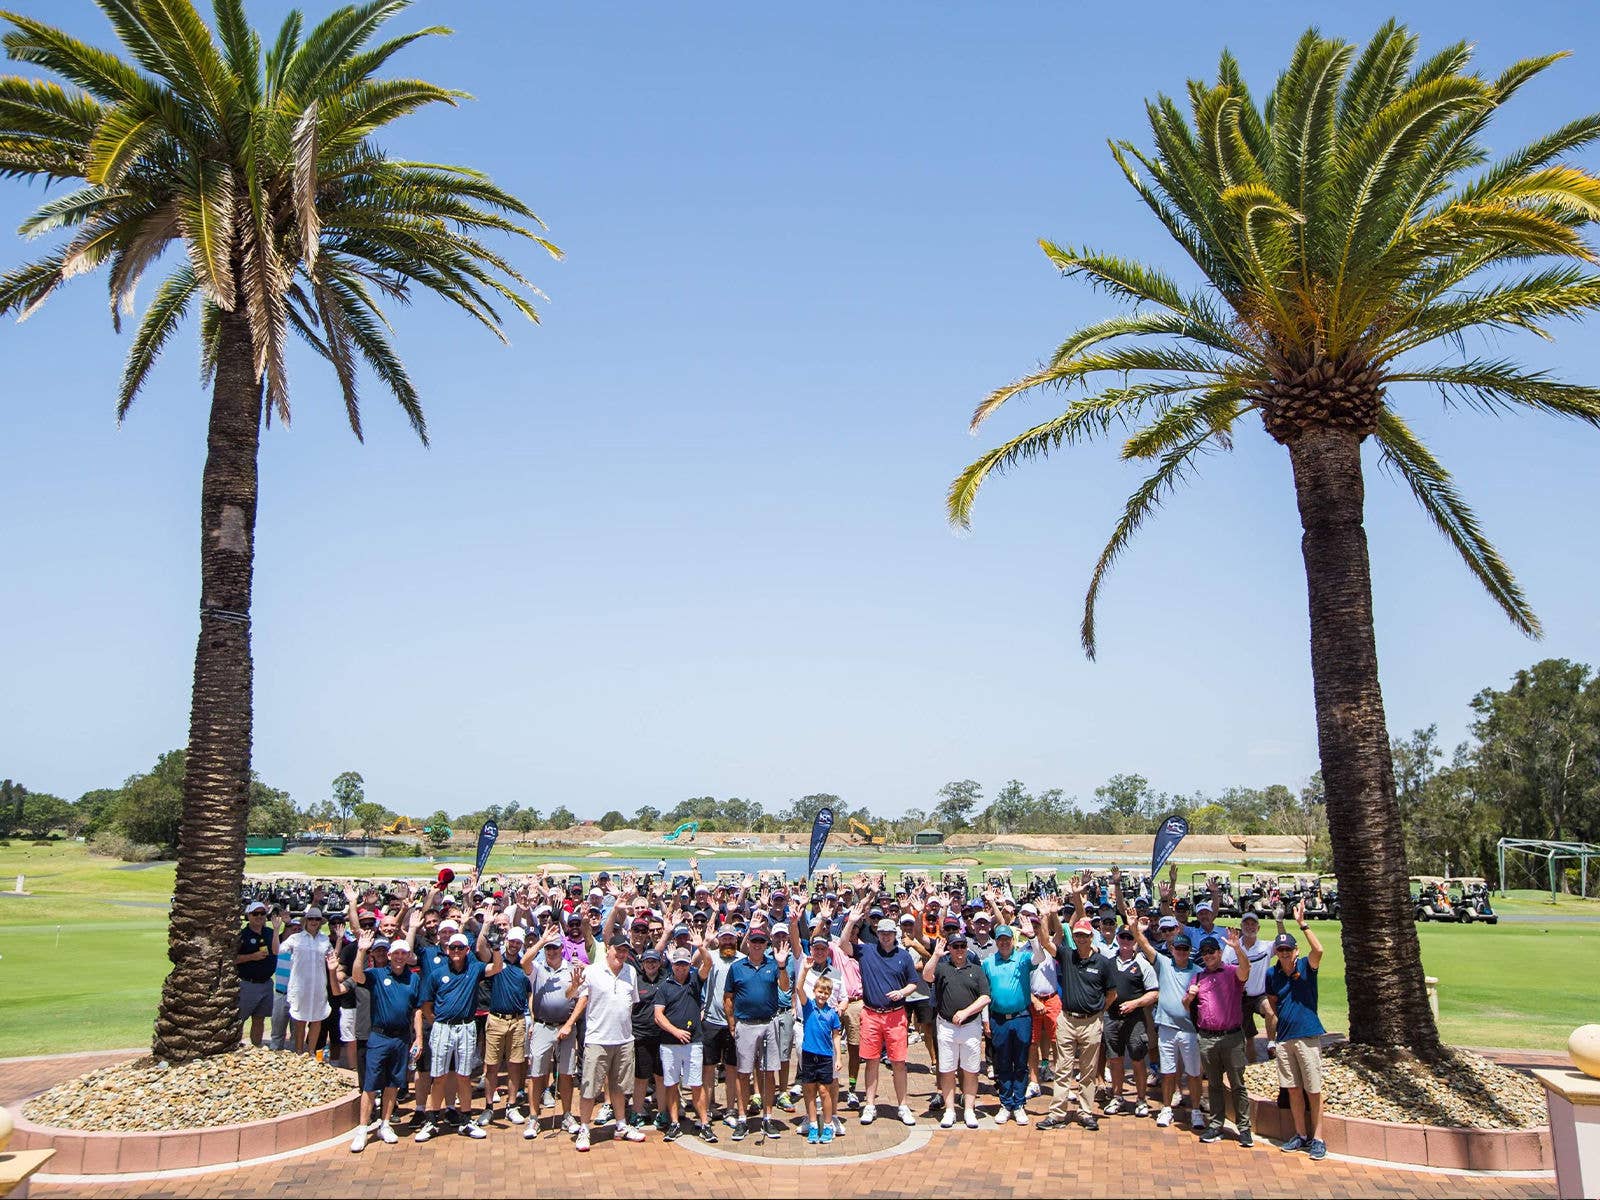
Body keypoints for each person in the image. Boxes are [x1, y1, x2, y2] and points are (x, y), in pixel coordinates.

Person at [415, 915, 505, 1143]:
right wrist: (436, 1021)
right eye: (452, 947)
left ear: (466, 949)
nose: (456, 951)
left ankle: (466, 1119)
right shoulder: (437, 974)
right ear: (447, 950)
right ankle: (433, 1119)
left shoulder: (473, 969)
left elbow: (496, 967)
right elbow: (425, 1005)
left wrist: (495, 947)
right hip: (443, 1027)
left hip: (466, 1027)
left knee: (464, 1076)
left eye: (460, 947)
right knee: (439, 1076)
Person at [1034, 892, 1111, 1131]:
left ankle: (1086, 1111)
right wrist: (1047, 915)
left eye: (1085, 936)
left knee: (1088, 1070)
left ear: (1091, 937)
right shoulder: (1067, 956)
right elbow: (1046, 942)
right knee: (1063, 1069)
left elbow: (1112, 993)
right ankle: (1057, 1113)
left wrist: (1098, 1011)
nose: (1081, 939)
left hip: (1091, 1022)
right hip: (1067, 1020)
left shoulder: (1102, 963)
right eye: (1077, 935)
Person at [839, 904, 921, 1127]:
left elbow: (914, 982)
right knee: (871, 1061)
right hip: (872, 1014)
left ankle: (902, 1105)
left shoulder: (903, 956)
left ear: (895, 935)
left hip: (895, 1015)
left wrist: (902, 992)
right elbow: (842, 944)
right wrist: (850, 922)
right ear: (877, 933)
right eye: (882, 933)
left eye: (889, 934)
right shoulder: (866, 951)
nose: (886, 937)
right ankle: (870, 1105)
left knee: (898, 1062)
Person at [570, 934, 646, 1152]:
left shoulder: (630, 971)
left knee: (620, 1086)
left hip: (623, 1039)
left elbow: (630, 1003)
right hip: (597, 1040)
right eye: (618, 950)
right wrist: (569, 1023)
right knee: (589, 1088)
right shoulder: (592, 971)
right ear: (608, 949)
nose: (621, 955)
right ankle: (584, 1127)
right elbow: (577, 996)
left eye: (625, 951)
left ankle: (621, 1125)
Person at [348, 934, 422, 1153]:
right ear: (389, 956)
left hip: (401, 1038)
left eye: (403, 953)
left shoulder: (414, 978)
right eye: (396, 953)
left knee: (393, 1084)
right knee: (370, 1084)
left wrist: (418, 1037)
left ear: (408, 956)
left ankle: (385, 1124)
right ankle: (362, 1129)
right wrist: (361, 950)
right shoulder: (377, 975)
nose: (399, 957)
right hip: (379, 1037)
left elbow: (417, 1010)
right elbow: (356, 976)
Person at [1268, 902, 1327, 1160]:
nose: (1283, 953)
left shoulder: (1306, 966)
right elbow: (1272, 1002)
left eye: (1287, 949)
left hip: (1307, 1035)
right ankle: (1301, 1135)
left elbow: (1319, 950)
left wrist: (1303, 924)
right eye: (1279, 949)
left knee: (1313, 1090)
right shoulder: (1273, 973)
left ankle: (1318, 1138)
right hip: (1284, 1038)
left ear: (1295, 950)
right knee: (1293, 1089)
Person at [1193, 928, 1253, 1146]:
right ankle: (1216, 1125)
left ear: (1219, 952)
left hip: (1232, 1037)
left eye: (1212, 951)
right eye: (1204, 952)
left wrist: (1237, 948)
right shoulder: (1199, 976)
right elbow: (1187, 1004)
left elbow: (1246, 970)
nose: (1208, 955)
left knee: (1237, 1084)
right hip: (1207, 1038)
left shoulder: (1231, 972)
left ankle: (1244, 1128)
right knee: (1214, 1085)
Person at [724, 927, 785, 1140]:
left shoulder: (773, 965)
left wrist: (782, 965)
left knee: (769, 1072)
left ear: (766, 944)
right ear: (748, 943)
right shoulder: (737, 967)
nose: (758, 945)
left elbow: (785, 988)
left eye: (761, 941)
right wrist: (732, 1023)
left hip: (769, 1023)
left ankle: (767, 1118)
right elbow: (728, 997)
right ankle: (742, 1119)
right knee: (743, 1073)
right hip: (745, 1024)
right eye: (754, 941)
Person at [924, 931, 990, 1129]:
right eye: (955, 946)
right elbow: (927, 975)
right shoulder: (943, 968)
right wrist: (936, 955)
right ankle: (950, 1110)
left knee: (970, 1070)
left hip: (970, 1026)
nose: (959, 950)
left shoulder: (976, 970)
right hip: (946, 1026)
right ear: (949, 949)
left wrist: (965, 1012)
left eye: (962, 946)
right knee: (947, 1069)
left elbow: (985, 997)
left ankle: (969, 1110)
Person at [525, 930, 583, 1139]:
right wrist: (541, 941)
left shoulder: (572, 969)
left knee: (566, 1074)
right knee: (537, 1073)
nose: (551, 951)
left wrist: (569, 1023)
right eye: (549, 948)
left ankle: (567, 1115)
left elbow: (575, 997)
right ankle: (533, 1117)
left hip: (565, 1027)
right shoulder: (538, 969)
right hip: (542, 1026)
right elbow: (524, 961)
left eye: (555, 947)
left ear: (562, 949)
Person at [654, 944, 712, 1142]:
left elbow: (708, 963)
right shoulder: (664, 986)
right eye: (678, 964)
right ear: (673, 964)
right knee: (671, 1084)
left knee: (696, 1083)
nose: (681, 968)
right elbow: (658, 1015)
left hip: (694, 1042)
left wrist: (701, 946)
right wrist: (675, 1032)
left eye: (685, 965)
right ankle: (674, 1123)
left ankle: (704, 1123)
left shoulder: (695, 981)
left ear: (689, 965)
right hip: (669, 1044)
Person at [1101, 925, 1157, 1117]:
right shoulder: (1107, 964)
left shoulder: (1142, 963)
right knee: (1115, 1060)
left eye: (1129, 938)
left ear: (1135, 941)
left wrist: (1135, 1003)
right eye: (1123, 937)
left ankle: (1141, 1099)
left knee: (1138, 1059)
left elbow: (1154, 993)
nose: (1126, 941)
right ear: (1117, 938)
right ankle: (1117, 1097)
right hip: (1111, 1018)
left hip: (1135, 1019)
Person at [979, 923, 1032, 1124]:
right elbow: (985, 993)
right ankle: (1005, 1103)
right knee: (1002, 1062)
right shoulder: (989, 963)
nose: (1003, 943)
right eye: (1000, 939)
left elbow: (1040, 957)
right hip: (998, 1019)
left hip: (1021, 1018)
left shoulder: (1023, 958)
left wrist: (1032, 937)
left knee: (1020, 1062)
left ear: (1012, 940)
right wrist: (985, 1020)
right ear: (996, 941)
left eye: (1007, 939)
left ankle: (1018, 1104)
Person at [481, 926, 533, 1125]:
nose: (514, 945)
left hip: (518, 1020)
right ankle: (488, 1107)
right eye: (512, 941)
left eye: (518, 943)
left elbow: (529, 993)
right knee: (492, 1065)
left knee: (514, 1065)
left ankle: (512, 1105)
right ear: (506, 941)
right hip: (496, 1019)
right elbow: (481, 949)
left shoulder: (523, 965)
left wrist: (532, 1019)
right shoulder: (497, 961)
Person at [1223, 911, 1277, 1062]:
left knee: (1270, 1010)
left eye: (1253, 924)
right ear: (1241, 927)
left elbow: (1282, 942)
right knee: (1249, 1039)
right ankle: (1253, 1066)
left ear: (1258, 928)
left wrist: (1279, 921)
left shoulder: (1265, 947)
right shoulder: (1230, 949)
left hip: (1260, 995)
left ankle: (1271, 1044)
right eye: (1246, 924)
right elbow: (1225, 972)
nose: (1250, 927)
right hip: (1240, 997)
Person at [797, 974, 843, 1144]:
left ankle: (828, 1124)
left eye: (826, 993)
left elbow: (836, 1036)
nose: (822, 995)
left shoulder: (832, 1014)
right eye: (820, 992)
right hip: (809, 1053)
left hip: (825, 1055)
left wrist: (838, 1058)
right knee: (809, 1090)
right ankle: (813, 1123)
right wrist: (805, 970)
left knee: (824, 1091)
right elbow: (799, 988)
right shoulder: (808, 1007)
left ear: (829, 994)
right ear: (814, 991)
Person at [282, 906, 332, 1055]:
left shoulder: (324, 939)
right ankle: (298, 1051)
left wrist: (340, 940)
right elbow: (278, 949)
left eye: (317, 919)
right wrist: (283, 927)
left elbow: (332, 957)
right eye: (311, 918)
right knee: (300, 1019)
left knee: (317, 1018)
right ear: (306, 921)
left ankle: (311, 1051)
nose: (314, 922)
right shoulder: (295, 938)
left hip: (318, 985)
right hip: (300, 985)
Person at [236, 901, 278, 1048]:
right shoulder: (242, 935)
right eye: (255, 914)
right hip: (248, 983)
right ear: (249, 915)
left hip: (266, 983)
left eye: (262, 913)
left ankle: (256, 1047)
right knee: (239, 1017)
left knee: (259, 1018)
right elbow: (232, 958)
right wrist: (252, 956)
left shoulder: (270, 933)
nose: (259, 916)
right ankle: (234, 1045)